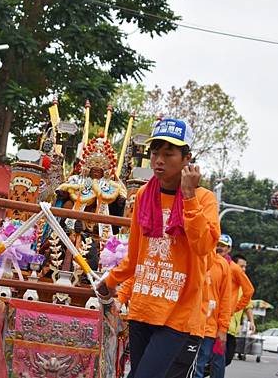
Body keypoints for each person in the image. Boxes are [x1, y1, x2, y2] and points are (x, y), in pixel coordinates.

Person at [97, 118, 220, 378]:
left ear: (187, 159)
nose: (159, 161)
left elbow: (204, 247)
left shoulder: (204, 199)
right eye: (155, 154)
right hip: (143, 307)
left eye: (168, 154)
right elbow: (136, 255)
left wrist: (188, 197)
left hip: (178, 314)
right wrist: (111, 282)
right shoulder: (143, 195)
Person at [193, 242, 232, 378]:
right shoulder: (192, 255)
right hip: (184, 325)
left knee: (199, 366)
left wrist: (223, 328)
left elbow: (226, 299)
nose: (220, 247)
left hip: (208, 327)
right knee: (180, 365)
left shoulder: (223, 265)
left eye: (223, 245)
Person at [224, 252, 255, 365]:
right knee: (219, 359)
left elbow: (248, 305)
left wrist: (252, 321)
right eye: (241, 266)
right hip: (223, 327)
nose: (244, 269)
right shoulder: (227, 281)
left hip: (232, 330)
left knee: (226, 360)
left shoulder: (242, 285)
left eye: (245, 267)